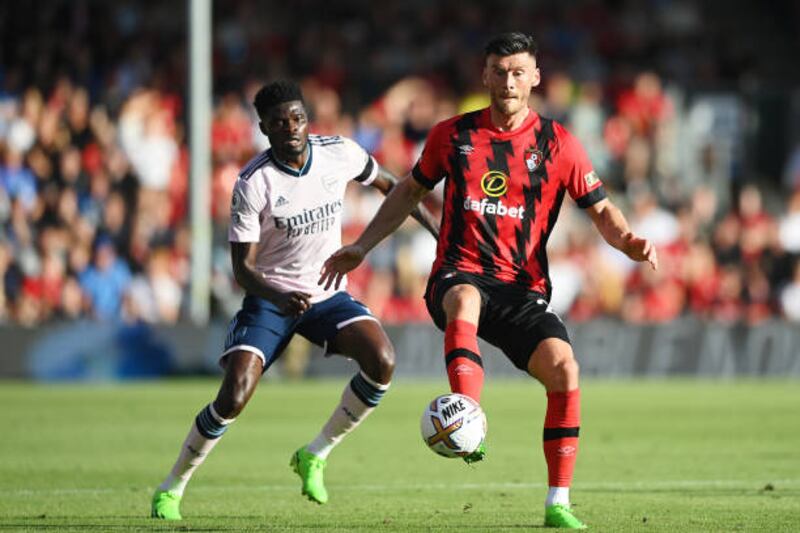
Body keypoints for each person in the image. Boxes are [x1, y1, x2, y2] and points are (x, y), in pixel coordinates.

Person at [319, 33, 658, 529]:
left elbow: (601, 209)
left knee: (565, 369)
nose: (508, 81)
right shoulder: (452, 135)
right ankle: (467, 415)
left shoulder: (558, 144)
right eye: (499, 71)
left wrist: (627, 240)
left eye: (518, 71)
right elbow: (409, 191)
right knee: (464, 300)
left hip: (523, 287)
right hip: (458, 270)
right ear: (485, 76)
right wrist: (362, 245)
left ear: (535, 77)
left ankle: (558, 503)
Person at [151, 80, 439, 520]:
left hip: (327, 291)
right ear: (265, 129)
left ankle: (315, 454)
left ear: (308, 119)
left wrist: (438, 232)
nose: (292, 128)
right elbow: (242, 268)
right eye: (280, 122)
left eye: (298, 118)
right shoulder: (253, 182)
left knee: (382, 360)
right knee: (234, 394)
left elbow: (397, 187)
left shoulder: (339, 152)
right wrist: (277, 295)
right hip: (271, 298)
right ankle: (172, 487)